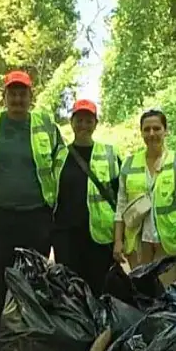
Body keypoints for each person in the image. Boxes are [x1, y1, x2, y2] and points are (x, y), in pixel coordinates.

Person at [0, 71, 63, 312]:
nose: (17, 99)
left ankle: (29, 336)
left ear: (31, 96)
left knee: (33, 282)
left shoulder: (45, 125)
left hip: (35, 218)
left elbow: (61, 164)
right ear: (4, 96)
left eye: (23, 93)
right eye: (12, 93)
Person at [113, 109, 176, 285]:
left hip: (169, 245)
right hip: (138, 245)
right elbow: (121, 205)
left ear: (166, 131)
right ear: (141, 132)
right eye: (147, 129)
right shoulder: (129, 164)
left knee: (168, 298)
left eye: (157, 128)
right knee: (141, 296)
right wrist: (118, 241)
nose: (152, 134)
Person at [52, 99, 120, 295]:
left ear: (96, 124)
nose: (83, 125)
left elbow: (120, 197)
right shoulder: (59, 154)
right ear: (71, 122)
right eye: (79, 120)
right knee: (69, 289)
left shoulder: (109, 153)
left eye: (88, 121)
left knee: (98, 288)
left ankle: (98, 326)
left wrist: (118, 237)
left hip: (99, 236)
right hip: (66, 235)